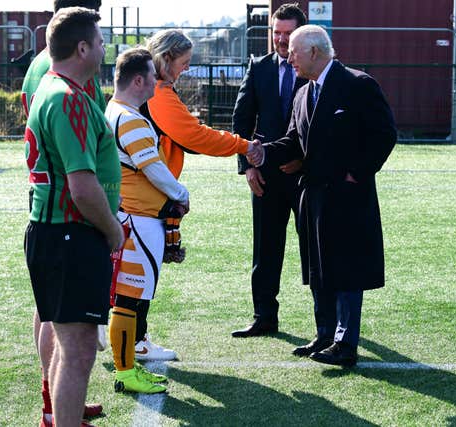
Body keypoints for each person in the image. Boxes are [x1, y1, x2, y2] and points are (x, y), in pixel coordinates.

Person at [248, 25, 396, 367]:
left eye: (295, 53)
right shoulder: (303, 92)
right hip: (312, 196)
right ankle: (325, 334)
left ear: (314, 51)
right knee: (318, 268)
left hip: (347, 196)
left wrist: (354, 173)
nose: (289, 58)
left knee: (345, 268)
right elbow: (293, 142)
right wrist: (263, 153)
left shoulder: (358, 84)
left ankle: (346, 344)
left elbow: (385, 134)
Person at [24, 7, 123, 427]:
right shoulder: (68, 98)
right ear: (82, 47)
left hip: (54, 232)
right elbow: (83, 188)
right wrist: (114, 229)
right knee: (78, 350)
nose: (104, 49)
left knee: (71, 347)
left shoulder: (51, 85)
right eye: (100, 42)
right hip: (70, 234)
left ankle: (60, 416)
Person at [138, 29, 258, 360]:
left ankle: (127, 334)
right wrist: (243, 145)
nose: (187, 69)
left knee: (134, 272)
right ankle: (134, 338)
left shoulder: (154, 91)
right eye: (184, 62)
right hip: (145, 198)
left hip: (143, 194)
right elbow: (195, 136)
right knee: (142, 274)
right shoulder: (159, 95)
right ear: (165, 60)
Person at [105, 47, 190, 393]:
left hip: (131, 215)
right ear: (138, 80)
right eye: (153, 76)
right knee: (129, 297)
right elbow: (152, 167)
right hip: (138, 219)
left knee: (130, 296)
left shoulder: (114, 111)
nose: (158, 81)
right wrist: (180, 193)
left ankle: (131, 355)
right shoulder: (131, 118)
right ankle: (126, 371)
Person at [231, 2, 308, 338]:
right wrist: (248, 166)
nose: (280, 39)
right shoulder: (259, 67)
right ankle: (264, 316)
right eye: (276, 33)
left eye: (287, 34)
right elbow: (242, 119)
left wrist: (306, 160)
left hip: (307, 177)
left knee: (317, 250)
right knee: (265, 250)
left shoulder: (317, 69)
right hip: (265, 177)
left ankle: (332, 323)